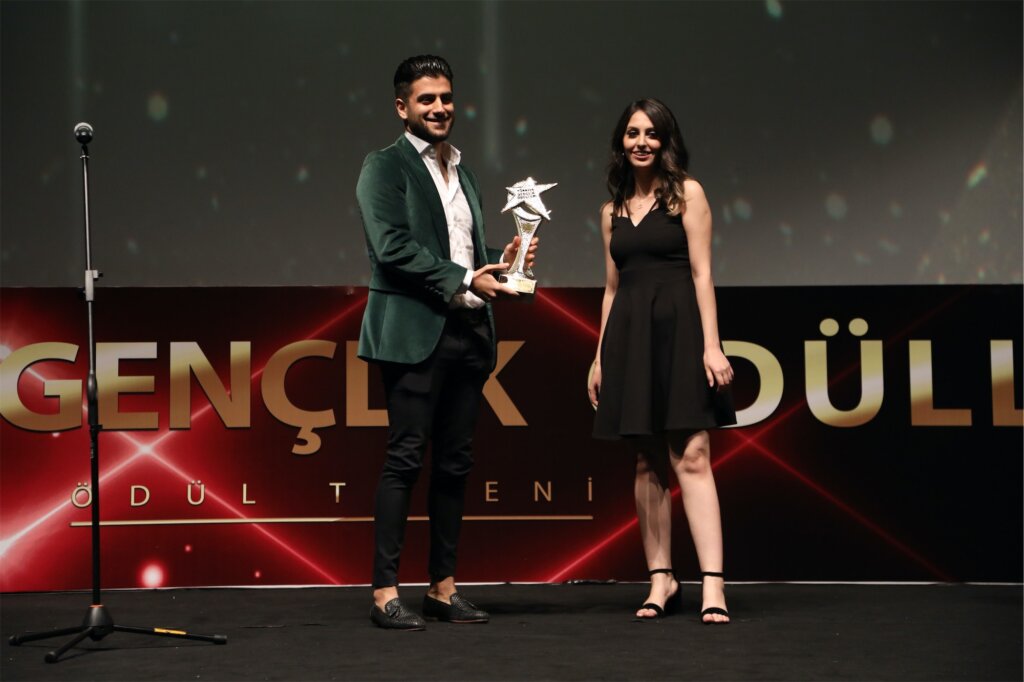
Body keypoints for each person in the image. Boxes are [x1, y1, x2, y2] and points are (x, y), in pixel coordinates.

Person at [356, 54, 537, 630]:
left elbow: (466, 255)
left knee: (455, 464)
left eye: (446, 98)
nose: (439, 108)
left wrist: (503, 262)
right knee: (406, 457)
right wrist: (466, 278)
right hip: (414, 332)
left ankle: (442, 589)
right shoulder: (383, 167)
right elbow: (391, 248)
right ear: (402, 107)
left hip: (468, 331)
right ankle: (385, 593)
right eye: (427, 99)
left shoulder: (466, 172)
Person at [588, 98, 736, 624]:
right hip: (629, 338)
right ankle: (661, 579)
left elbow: (702, 274)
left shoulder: (687, 194)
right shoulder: (610, 212)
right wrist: (599, 357)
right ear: (621, 142)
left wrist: (711, 345)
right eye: (633, 133)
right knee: (646, 461)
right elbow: (611, 289)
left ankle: (713, 584)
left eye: (651, 133)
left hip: (680, 333)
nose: (641, 142)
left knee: (691, 455)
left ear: (665, 140)